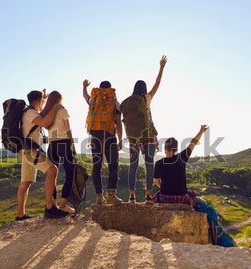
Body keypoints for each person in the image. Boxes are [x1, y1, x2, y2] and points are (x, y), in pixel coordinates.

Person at [16, 89, 72, 220]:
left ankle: (20, 215)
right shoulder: (30, 113)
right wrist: (56, 107)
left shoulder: (29, 112)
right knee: (52, 170)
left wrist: (44, 99)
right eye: (42, 101)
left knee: (25, 183)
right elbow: (45, 122)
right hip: (30, 151)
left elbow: (42, 118)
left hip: (25, 151)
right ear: (39, 101)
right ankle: (50, 208)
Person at [121, 55, 167, 204]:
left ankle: (132, 195)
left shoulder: (127, 102)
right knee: (149, 165)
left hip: (133, 138)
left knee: (133, 166)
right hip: (148, 136)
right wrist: (161, 67)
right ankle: (148, 194)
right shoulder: (146, 98)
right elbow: (157, 83)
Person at [82, 80, 123, 205]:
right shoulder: (114, 102)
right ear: (110, 89)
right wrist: (120, 140)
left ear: (99, 89)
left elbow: (85, 97)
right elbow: (118, 122)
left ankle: (99, 197)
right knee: (113, 166)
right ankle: (111, 195)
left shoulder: (94, 100)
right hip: (109, 136)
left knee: (97, 167)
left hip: (95, 136)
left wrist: (84, 87)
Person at [40, 91, 77, 213]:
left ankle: (54, 204)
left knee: (52, 175)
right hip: (64, 143)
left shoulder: (46, 113)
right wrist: (73, 145)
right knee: (70, 174)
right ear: (59, 99)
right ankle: (63, 204)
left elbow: (41, 113)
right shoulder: (62, 110)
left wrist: (43, 100)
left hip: (52, 145)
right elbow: (68, 129)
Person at [153, 125, 209, 205]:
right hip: (182, 198)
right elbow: (193, 142)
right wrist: (201, 131)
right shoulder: (182, 157)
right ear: (176, 149)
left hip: (164, 197)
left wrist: (167, 188)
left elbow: (156, 181)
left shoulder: (158, 163)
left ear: (165, 148)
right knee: (203, 202)